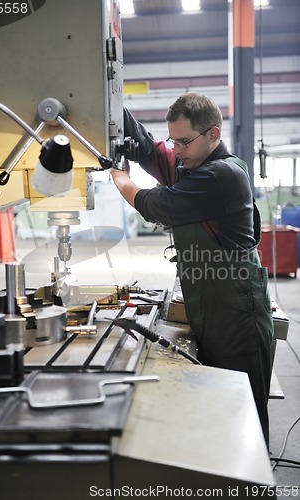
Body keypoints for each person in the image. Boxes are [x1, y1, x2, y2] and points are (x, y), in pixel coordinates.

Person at [111, 92, 274, 447]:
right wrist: (103, 101)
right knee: (219, 400)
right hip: (211, 303)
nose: (177, 149)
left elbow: (156, 205)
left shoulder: (220, 174)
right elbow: (149, 149)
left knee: (242, 408)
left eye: (183, 142)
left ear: (213, 135)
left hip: (235, 310)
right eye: (174, 140)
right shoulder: (194, 163)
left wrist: (121, 179)